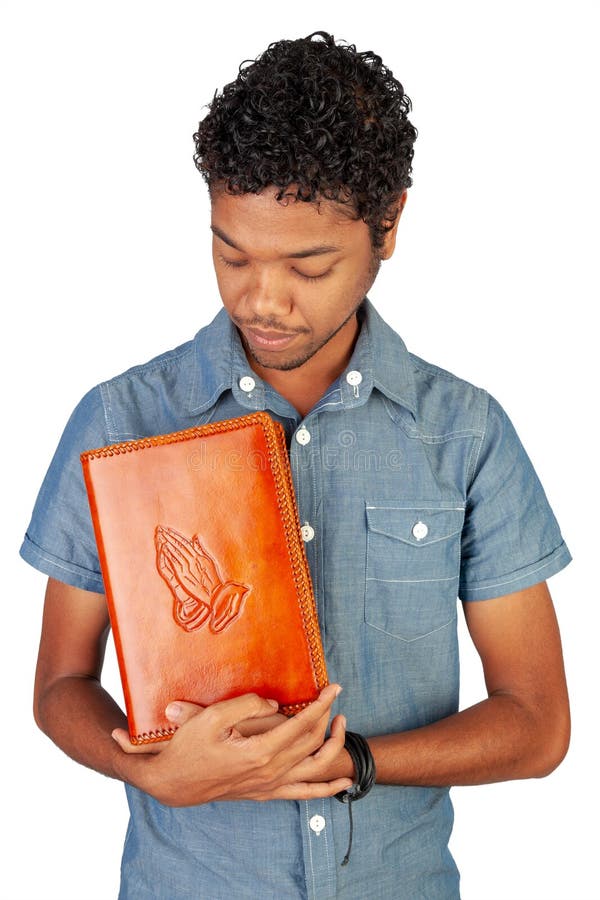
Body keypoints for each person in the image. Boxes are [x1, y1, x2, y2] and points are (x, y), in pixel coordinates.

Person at [21, 30, 571, 900]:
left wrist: (355, 761)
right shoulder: (121, 419)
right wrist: (149, 769)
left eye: (308, 265)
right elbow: (59, 684)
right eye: (231, 253)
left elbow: (537, 726)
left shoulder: (466, 436)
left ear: (388, 225)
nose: (260, 299)